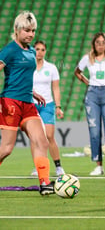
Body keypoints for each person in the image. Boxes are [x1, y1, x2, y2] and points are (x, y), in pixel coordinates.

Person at [0, 11, 54, 195]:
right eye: (26, 30)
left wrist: (33, 92)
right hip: (11, 103)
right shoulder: (9, 51)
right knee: (6, 149)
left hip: (28, 103)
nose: (30, 34)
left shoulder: (31, 51)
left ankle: (45, 183)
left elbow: (22, 77)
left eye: (33, 30)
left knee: (42, 141)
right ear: (16, 30)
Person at [74, 32, 105, 176]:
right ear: (94, 44)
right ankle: (98, 165)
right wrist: (87, 82)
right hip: (93, 95)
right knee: (94, 131)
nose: (100, 45)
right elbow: (77, 72)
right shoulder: (87, 59)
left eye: (103, 42)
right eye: (98, 42)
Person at [30, 40, 65, 177]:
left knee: (49, 135)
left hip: (47, 105)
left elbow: (55, 88)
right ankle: (38, 167)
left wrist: (58, 106)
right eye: (37, 49)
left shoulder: (51, 68)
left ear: (45, 52)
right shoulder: (28, 67)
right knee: (34, 138)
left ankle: (58, 166)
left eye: (42, 50)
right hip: (31, 105)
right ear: (33, 50)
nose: (39, 52)